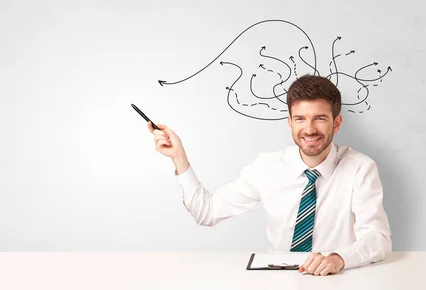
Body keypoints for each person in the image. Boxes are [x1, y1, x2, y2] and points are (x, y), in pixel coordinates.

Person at [147, 75, 392, 276]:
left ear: (336, 124)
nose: (309, 129)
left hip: (337, 280)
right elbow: (207, 212)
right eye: (300, 119)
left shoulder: (361, 168)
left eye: (320, 119)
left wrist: (339, 258)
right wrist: (179, 158)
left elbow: (378, 239)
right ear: (290, 123)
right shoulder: (267, 167)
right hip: (280, 280)